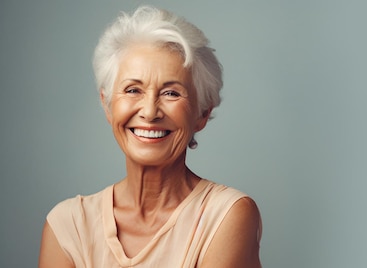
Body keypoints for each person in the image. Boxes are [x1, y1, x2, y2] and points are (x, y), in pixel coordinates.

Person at [38, 6, 262, 268]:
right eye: (133, 90)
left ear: (202, 114)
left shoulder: (227, 215)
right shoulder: (68, 224)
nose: (149, 112)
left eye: (171, 93)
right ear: (108, 105)